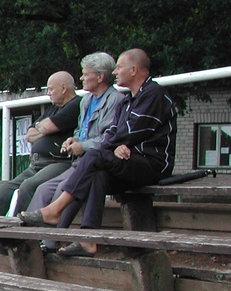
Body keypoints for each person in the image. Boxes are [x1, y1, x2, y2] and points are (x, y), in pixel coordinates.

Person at [19, 49, 178, 255]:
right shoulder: (129, 99)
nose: (115, 72)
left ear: (134, 69)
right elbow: (117, 132)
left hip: (153, 164)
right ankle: (88, 240)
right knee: (97, 175)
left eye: (119, 67)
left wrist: (117, 143)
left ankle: (54, 213)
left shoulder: (154, 95)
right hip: (131, 160)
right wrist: (118, 145)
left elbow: (131, 131)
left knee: (94, 155)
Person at [0, 70, 81, 252]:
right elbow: (30, 134)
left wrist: (44, 128)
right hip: (36, 163)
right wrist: (44, 128)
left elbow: (46, 126)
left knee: (28, 187)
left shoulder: (76, 104)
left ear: (63, 88)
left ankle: (12, 239)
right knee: (5, 189)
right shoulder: (53, 108)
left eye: (51, 89)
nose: (48, 93)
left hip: (58, 162)